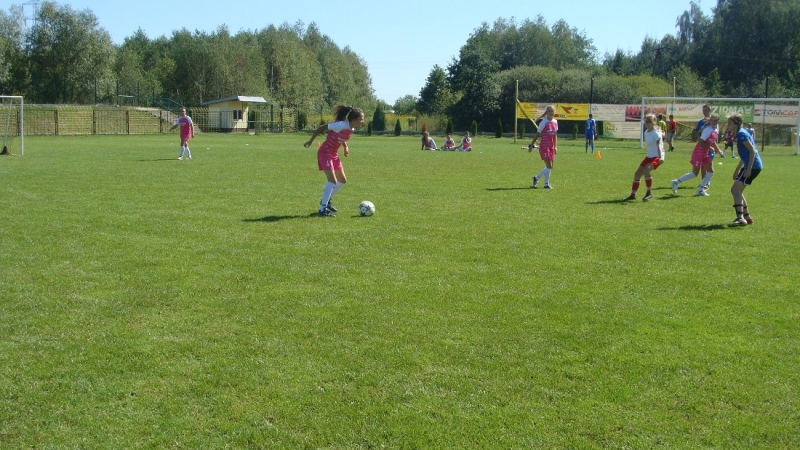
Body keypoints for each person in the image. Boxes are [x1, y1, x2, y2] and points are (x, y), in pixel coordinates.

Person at [304, 105, 365, 218]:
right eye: (361, 119)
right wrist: (310, 141)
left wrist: (345, 147)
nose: (363, 121)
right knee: (332, 181)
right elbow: (321, 128)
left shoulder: (351, 128)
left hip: (334, 154)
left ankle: (327, 201)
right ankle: (322, 209)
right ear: (354, 119)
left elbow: (340, 137)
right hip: (325, 152)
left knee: (342, 180)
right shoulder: (340, 125)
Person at [671, 113, 722, 196]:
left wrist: (718, 150)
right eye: (712, 120)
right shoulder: (708, 129)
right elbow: (701, 142)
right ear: (710, 120)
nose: (713, 122)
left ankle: (700, 190)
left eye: (715, 120)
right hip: (699, 152)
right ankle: (676, 182)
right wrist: (710, 148)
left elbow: (713, 141)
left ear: (718, 121)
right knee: (695, 173)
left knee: (710, 172)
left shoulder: (716, 128)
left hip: (705, 152)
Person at [727, 113, 763, 226]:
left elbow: (752, 151)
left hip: (753, 166)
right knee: (737, 191)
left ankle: (740, 218)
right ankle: (747, 217)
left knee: (735, 190)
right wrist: (737, 170)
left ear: (737, 123)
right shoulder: (740, 133)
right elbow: (745, 155)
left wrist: (748, 169)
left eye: (730, 123)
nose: (728, 125)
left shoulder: (742, 134)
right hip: (752, 166)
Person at [624, 114, 664, 201]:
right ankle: (633, 195)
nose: (647, 124)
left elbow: (659, 146)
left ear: (654, 122)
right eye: (646, 122)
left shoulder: (656, 133)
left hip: (657, 156)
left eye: (649, 122)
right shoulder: (646, 132)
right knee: (637, 174)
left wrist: (661, 157)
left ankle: (649, 193)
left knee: (646, 170)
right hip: (649, 156)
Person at [528, 105, 558, 189]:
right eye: (549, 111)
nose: (551, 113)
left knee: (551, 166)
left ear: (554, 112)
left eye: (552, 111)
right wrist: (531, 145)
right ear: (547, 113)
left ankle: (536, 178)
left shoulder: (555, 122)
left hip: (551, 147)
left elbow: (555, 135)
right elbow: (537, 134)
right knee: (549, 166)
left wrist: (555, 146)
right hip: (544, 146)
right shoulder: (543, 122)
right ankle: (546, 184)